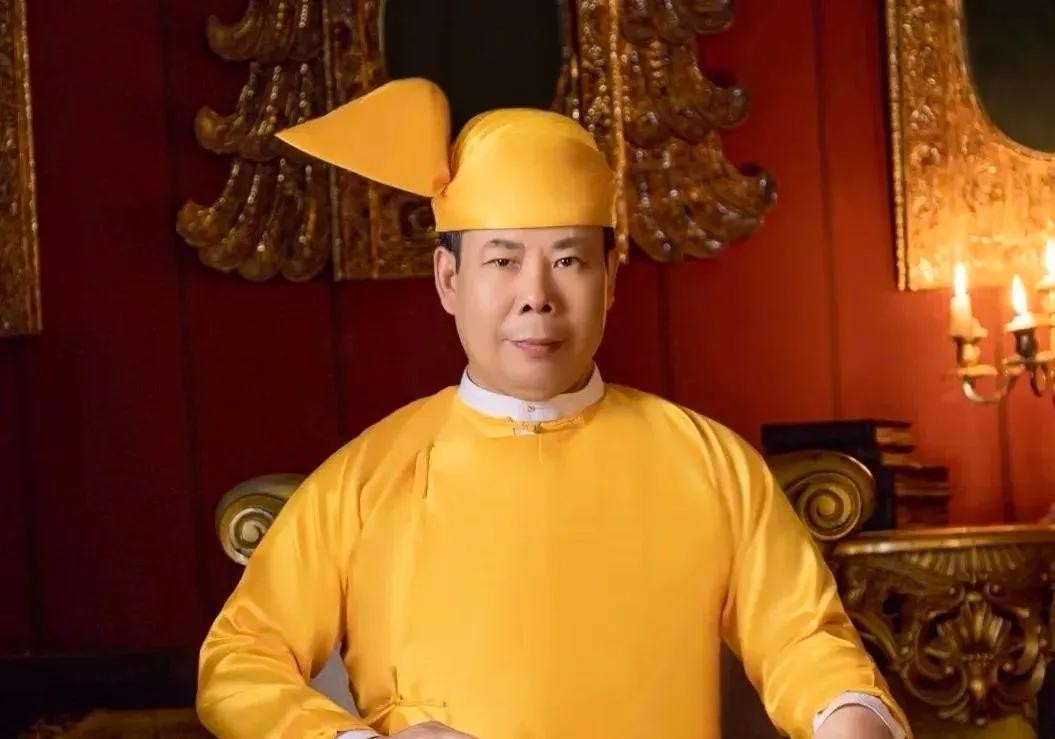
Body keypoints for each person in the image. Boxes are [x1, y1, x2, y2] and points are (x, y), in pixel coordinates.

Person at [196, 78, 911, 739]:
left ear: (610, 280)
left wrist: (850, 715)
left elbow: (803, 640)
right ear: (448, 279)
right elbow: (240, 661)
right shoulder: (367, 476)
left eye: (568, 261)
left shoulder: (710, 462)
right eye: (502, 261)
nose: (535, 296)